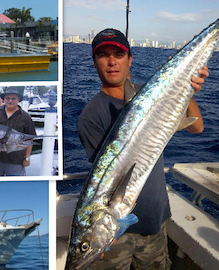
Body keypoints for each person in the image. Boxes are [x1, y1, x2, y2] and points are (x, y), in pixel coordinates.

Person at [77, 28, 207, 269]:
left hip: (155, 223)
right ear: (94, 62)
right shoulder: (90, 116)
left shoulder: (158, 93)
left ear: (130, 59)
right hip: (116, 234)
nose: (112, 61)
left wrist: (186, 90)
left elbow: (197, 127)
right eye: (103, 55)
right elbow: (105, 182)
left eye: (118, 53)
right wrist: (102, 234)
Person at [0, 87, 36, 176]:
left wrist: (27, 158)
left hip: (16, 161)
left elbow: (30, 139)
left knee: (14, 187)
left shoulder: (26, 117)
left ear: (18, 100)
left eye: (13, 98)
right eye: (7, 98)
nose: (10, 101)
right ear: (4, 100)